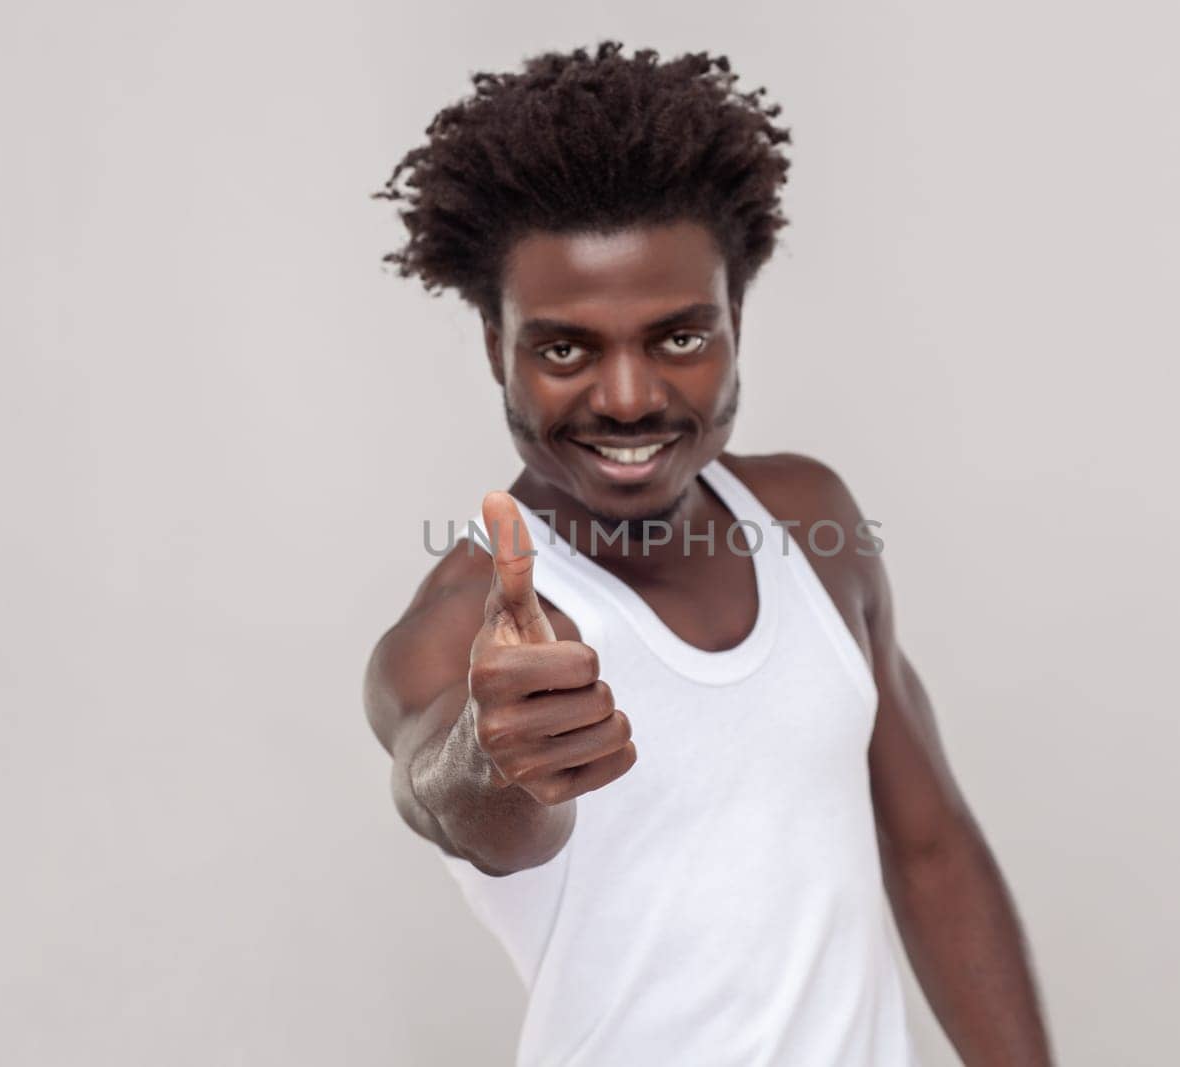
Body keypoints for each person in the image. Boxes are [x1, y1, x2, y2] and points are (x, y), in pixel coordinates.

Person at [364, 40, 1053, 1066]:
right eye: (564, 348)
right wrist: (493, 749)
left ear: (737, 321)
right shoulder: (466, 625)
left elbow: (930, 846)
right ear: (493, 347)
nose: (631, 395)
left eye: (679, 337)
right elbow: (455, 801)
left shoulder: (810, 518)